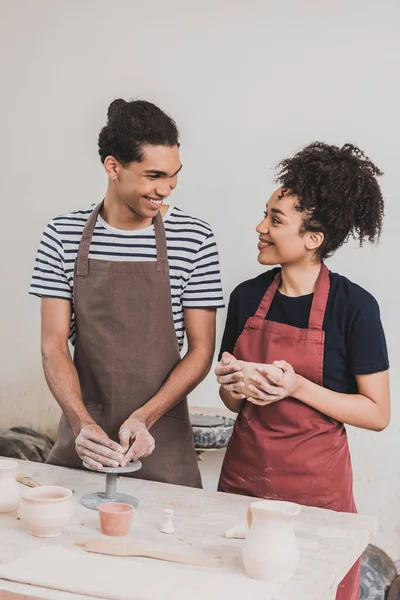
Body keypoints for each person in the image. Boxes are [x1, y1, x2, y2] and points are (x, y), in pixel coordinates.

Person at [215, 142, 390, 600]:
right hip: (243, 486)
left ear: (313, 238)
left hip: (317, 497)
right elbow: (233, 402)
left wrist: (297, 386)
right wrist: (233, 386)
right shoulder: (246, 298)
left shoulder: (354, 308)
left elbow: (377, 413)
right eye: (265, 214)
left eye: (276, 219)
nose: (260, 227)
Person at [30, 98, 224, 488]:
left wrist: (145, 417)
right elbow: (53, 345)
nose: (166, 189)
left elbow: (202, 350)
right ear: (113, 167)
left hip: (161, 439)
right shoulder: (61, 235)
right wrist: (82, 422)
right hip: (85, 440)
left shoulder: (195, 239)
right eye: (154, 176)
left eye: (173, 175)